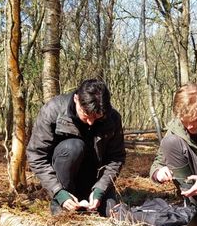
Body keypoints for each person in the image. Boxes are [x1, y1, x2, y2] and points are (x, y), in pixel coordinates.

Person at [27, 79, 125, 216]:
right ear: (76, 99)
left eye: (97, 117)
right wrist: (58, 192)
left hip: (95, 178)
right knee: (73, 147)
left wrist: (100, 190)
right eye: (86, 115)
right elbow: (36, 156)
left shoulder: (112, 118)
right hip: (62, 179)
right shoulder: (53, 110)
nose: (91, 122)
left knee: (112, 212)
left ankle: (90, 195)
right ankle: (61, 203)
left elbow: (116, 158)